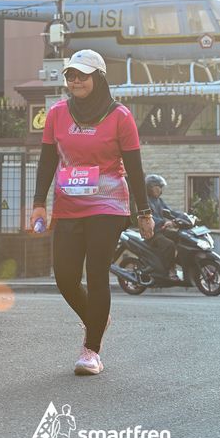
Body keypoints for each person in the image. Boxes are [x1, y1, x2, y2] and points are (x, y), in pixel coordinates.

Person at [30, 49, 155, 376]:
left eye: (82, 75)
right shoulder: (56, 114)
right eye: (71, 75)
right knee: (65, 276)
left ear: (98, 79)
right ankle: (97, 318)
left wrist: (144, 212)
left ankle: (91, 351)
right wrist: (39, 203)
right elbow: (47, 160)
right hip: (68, 203)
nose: (75, 81)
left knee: (96, 271)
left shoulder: (120, 116)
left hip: (108, 203)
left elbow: (135, 168)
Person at [145, 174, 179, 280]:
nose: (160, 190)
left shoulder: (159, 201)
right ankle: (169, 270)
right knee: (169, 245)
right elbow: (150, 218)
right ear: (150, 188)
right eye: (158, 187)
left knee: (181, 237)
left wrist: (184, 216)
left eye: (161, 187)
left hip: (161, 230)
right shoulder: (146, 202)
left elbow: (170, 212)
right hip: (152, 234)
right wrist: (164, 221)